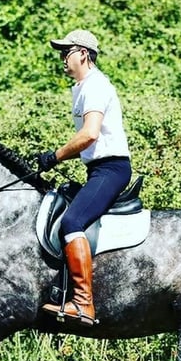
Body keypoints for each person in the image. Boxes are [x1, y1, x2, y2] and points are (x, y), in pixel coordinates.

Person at [36, 29, 132, 327]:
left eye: (66, 52)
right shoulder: (80, 88)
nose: (63, 59)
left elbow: (89, 135)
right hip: (98, 168)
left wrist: (55, 156)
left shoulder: (96, 86)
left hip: (112, 168)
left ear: (83, 54)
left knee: (71, 222)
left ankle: (83, 303)